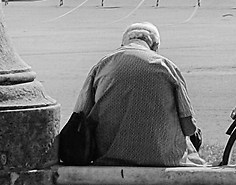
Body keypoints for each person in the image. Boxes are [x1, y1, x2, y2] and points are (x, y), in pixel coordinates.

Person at [69, 22, 203, 166]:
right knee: (195, 136)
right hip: (164, 160)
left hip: (107, 156)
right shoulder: (167, 67)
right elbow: (189, 127)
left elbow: (79, 117)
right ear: (155, 46)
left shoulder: (102, 65)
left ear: (122, 44)